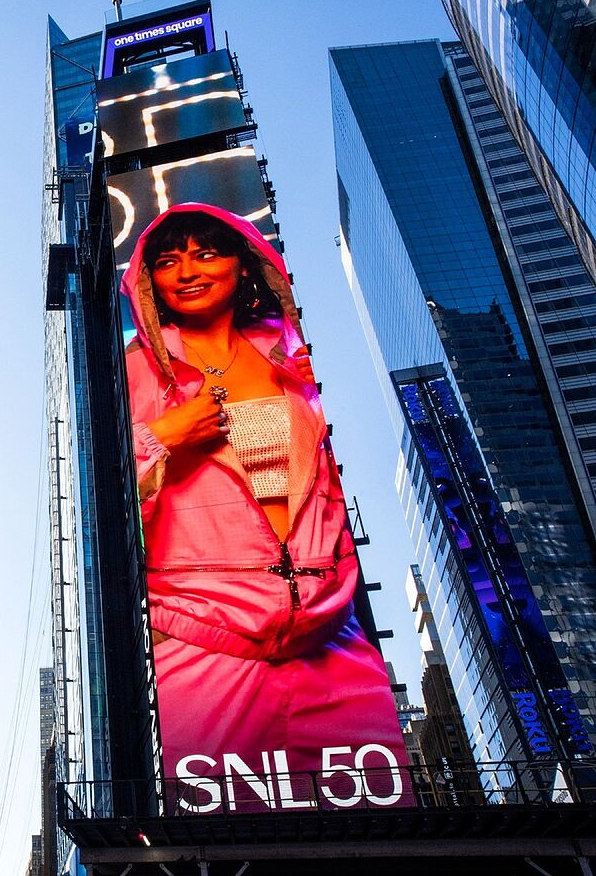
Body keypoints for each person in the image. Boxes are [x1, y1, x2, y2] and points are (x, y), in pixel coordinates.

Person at [123, 203, 411, 811]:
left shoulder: (295, 363)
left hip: (333, 645)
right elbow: (98, 504)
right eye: (169, 261)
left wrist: (336, 576)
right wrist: (164, 436)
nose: (188, 271)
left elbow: (324, 486)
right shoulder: (133, 373)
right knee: (219, 849)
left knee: (381, 841)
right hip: (202, 652)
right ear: (150, 283)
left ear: (245, 265)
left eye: (207, 253)